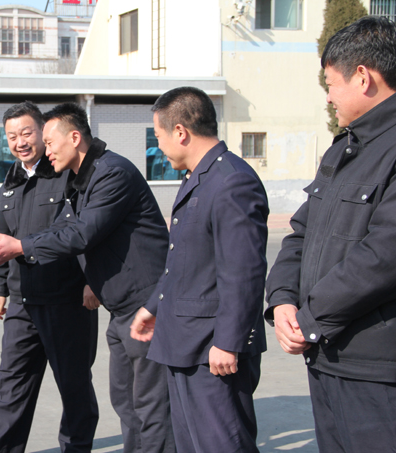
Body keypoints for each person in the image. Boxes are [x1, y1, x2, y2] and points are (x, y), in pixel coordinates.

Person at [0, 103, 174, 453]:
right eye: (12, 136)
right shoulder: (25, 181)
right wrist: (3, 281)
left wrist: (23, 247)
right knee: (126, 400)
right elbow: (59, 228)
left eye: (40, 138)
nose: (36, 146)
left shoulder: (102, 174)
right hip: (75, 304)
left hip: (125, 302)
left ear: (71, 137)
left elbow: (81, 233)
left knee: (143, 404)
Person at [265, 16, 396, 452]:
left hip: (376, 369)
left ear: (363, 77)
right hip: (326, 356)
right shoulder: (346, 148)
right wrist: (283, 300)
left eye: (330, 84)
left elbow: (384, 256)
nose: (328, 96)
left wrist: (310, 318)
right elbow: (301, 232)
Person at [130, 87, 269, 453]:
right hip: (185, 342)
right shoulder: (199, 177)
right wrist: (154, 306)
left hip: (213, 351)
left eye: (158, 135)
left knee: (223, 444)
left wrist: (229, 341)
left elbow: (244, 271)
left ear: (180, 132)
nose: (158, 145)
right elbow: (186, 260)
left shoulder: (231, 181)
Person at [0, 101, 99, 453]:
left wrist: (92, 280)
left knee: (73, 385)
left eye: (27, 133)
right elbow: (3, 236)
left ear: (43, 132)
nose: (20, 142)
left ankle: (75, 448)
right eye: (11, 136)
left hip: (68, 301)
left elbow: (88, 232)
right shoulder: (10, 181)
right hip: (22, 302)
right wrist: (1, 287)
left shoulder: (66, 173)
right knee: (12, 384)